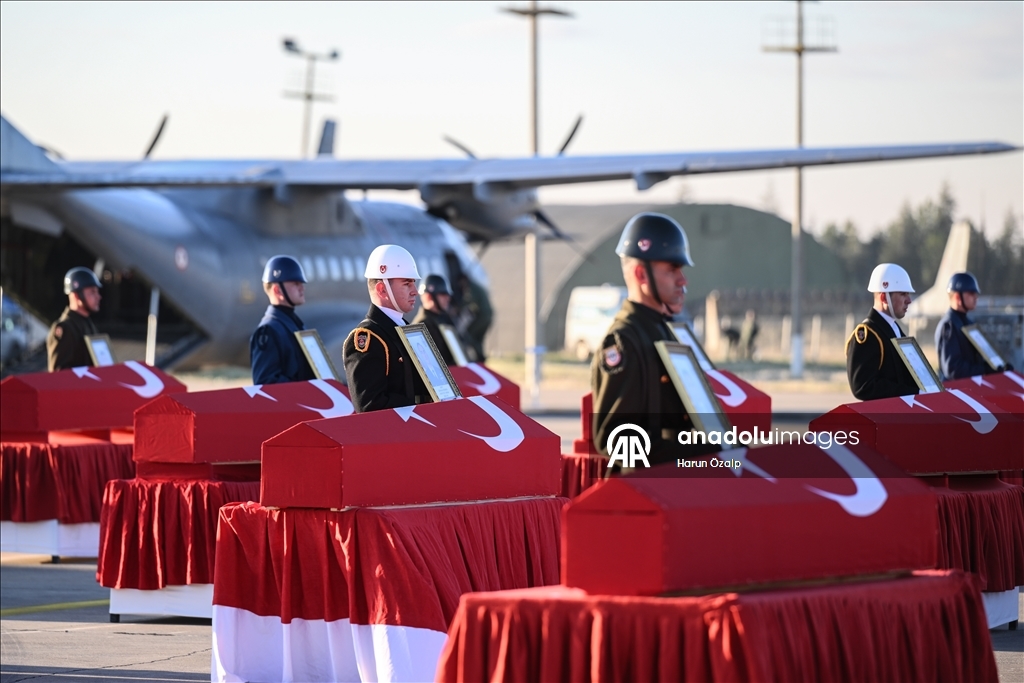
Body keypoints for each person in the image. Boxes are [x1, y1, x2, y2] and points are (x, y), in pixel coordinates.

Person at [591, 212, 715, 465]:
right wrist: (699, 455)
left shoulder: (667, 331)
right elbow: (614, 440)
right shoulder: (624, 341)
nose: (683, 280)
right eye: (672, 270)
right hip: (643, 493)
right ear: (641, 275)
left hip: (678, 487)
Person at [343, 244, 430, 412]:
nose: (415, 291)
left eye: (413, 283)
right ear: (382, 289)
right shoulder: (368, 338)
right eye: (406, 284)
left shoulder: (406, 330)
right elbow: (369, 405)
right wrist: (419, 409)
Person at [845, 263, 920, 401]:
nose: (909, 300)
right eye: (903, 294)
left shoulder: (895, 328)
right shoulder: (867, 335)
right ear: (884, 297)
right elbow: (862, 387)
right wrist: (915, 392)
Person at [250, 255, 316, 385]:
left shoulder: (296, 325)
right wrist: (306, 391)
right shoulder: (268, 331)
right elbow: (265, 383)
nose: (302, 288)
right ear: (277, 290)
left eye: (301, 283)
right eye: (296, 283)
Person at [935, 272, 1008, 379]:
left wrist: (999, 367)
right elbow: (953, 369)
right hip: (955, 393)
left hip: (969, 390)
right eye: (971, 293)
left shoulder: (968, 323)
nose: (976, 297)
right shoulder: (949, 325)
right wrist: (985, 370)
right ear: (957, 297)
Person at [47, 267, 102, 371]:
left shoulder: (86, 323)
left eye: (97, 292)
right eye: (92, 292)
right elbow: (59, 373)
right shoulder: (65, 327)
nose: (98, 297)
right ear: (76, 296)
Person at [412, 274, 466, 365]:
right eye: (442, 294)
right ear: (428, 296)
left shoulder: (444, 318)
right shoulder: (421, 325)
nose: (448, 298)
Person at [454, 273, 493, 363]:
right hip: (486, 316)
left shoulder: (471, 288)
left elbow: (469, 300)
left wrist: (458, 308)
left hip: (483, 316)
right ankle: (480, 358)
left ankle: (479, 357)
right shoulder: (475, 286)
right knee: (479, 338)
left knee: (470, 334)